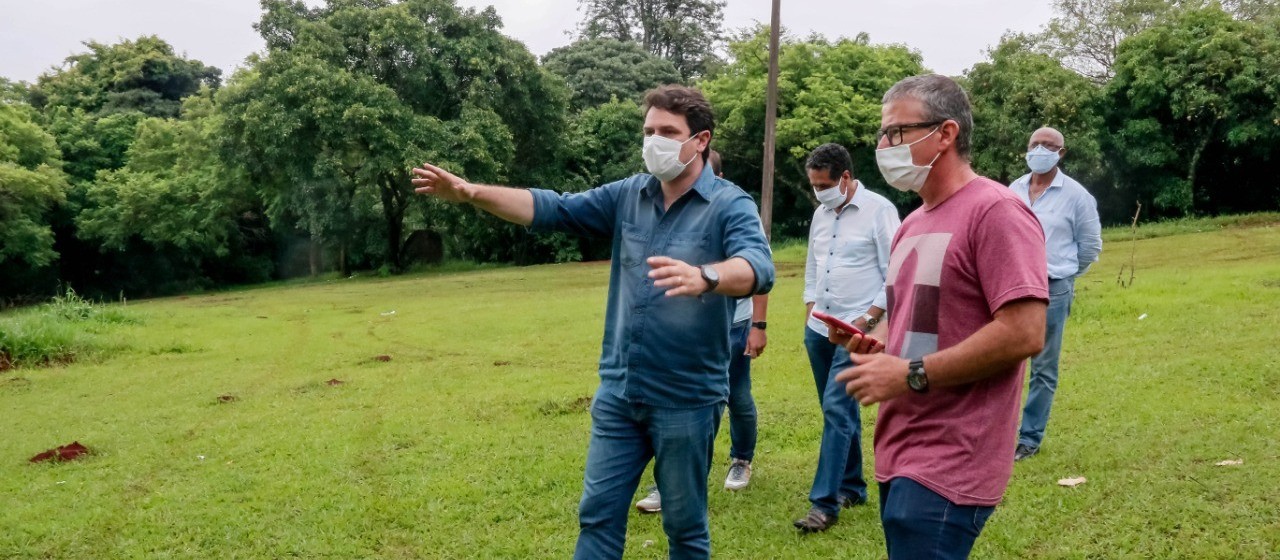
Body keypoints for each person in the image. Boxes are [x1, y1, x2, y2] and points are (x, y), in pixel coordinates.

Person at [412, 84, 774, 560]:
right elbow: (552, 207)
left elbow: (759, 266)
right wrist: (472, 192)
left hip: (687, 398)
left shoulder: (730, 204)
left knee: (684, 527)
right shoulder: (630, 194)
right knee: (598, 516)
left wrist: (706, 275)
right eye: (649, 131)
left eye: (668, 132)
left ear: (701, 139)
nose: (654, 141)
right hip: (620, 394)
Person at [833, 74, 1048, 559]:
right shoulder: (913, 221)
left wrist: (909, 373)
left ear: (946, 134)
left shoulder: (997, 211)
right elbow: (913, 317)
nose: (883, 145)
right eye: (882, 135)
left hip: (955, 454)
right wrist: (878, 342)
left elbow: (1025, 332)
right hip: (901, 443)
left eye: (897, 133)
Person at [634, 150, 770, 514]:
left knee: (736, 395)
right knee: (677, 401)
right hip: (685, 327)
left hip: (734, 323)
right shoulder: (668, 208)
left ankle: (741, 459)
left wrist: (758, 325)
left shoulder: (734, 207)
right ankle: (669, 483)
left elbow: (760, 272)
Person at [793, 143, 900, 533]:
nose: (819, 192)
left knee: (838, 410)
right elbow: (812, 265)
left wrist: (871, 316)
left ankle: (824, 504)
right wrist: (809, 309)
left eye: (824, 184)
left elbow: (896, 271)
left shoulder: (879, 211)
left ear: (846, 178)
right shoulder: (821, 215)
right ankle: (853, 486)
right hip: (820, 328)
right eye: (814, 185)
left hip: (857, 330)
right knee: (835, 409)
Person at [1009, 127, 1102, 461]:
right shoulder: (1014, 190)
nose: (1040, 150)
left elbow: (1090, 246)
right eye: (1034, 144)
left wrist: (1065, 274)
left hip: (1053, 287)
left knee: (1043, 366)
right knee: (1004, 361)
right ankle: (998, 432)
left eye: (1048, 146)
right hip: (1012, 287)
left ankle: (1029, 439)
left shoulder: (1077, 196)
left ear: (1061, 153)